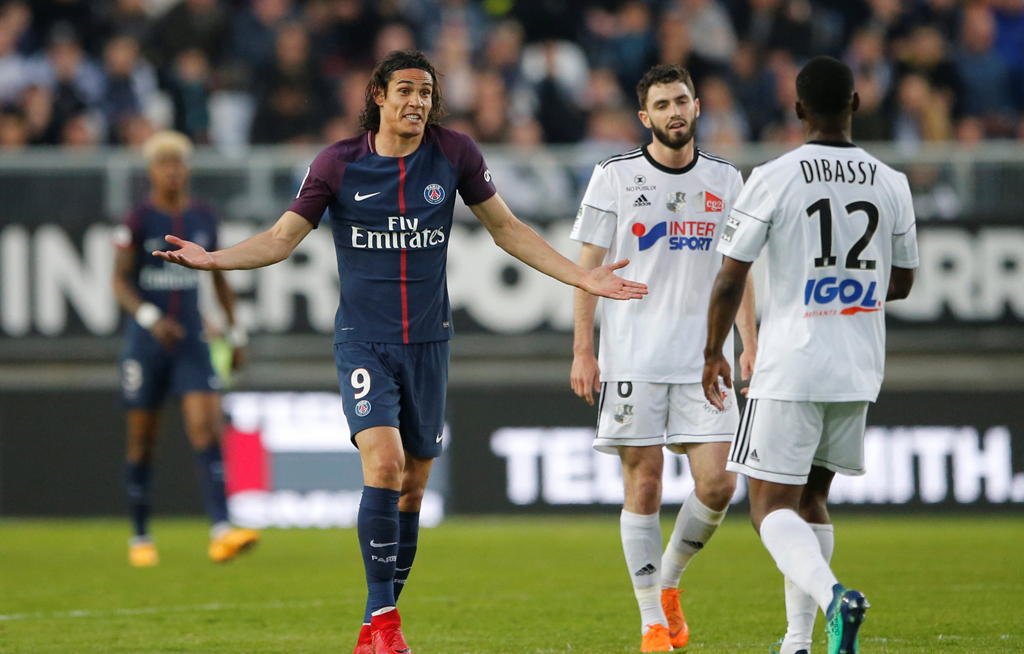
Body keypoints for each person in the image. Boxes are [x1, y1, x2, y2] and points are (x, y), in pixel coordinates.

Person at [153, 49, 648, 654]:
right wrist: (213, 259)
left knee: (412, 487)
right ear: (379, 96)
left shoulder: (454, 153)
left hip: (429, 343)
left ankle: (374, 622)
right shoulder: (338, 163)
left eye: (426, 92)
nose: (417, 101)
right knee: (384, 465)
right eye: (406, 89)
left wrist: (582, 276)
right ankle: (387, 625)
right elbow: (281, 239)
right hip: (364, 342)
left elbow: (508, 230)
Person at [702, 56, 918, 654]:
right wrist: (851, 287)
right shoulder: (892, 182)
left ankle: (834, 598)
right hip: (858, 364)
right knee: (811, 499)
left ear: (797, 108)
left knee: (768, 507)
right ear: (856, 104)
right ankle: (799, 641)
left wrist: (713, 351)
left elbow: (730, 277)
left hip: (792, 362)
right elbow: (903, 283)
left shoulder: (774, 177)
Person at [570, 63, 757, 653]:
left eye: (681, 101)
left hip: (706, 359)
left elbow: (739, 271)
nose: (674, 112)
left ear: (697, 107)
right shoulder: (615, 177)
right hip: (633, 357)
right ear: (644, 116)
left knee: (720, 484)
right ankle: (652, 621)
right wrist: (582, 349)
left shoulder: (727, 179)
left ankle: (668, 580)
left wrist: (750, 342)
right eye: (662, 104)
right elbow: (587, 270)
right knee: (644, 483)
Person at [112, 130, 256, 567]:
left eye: (178, 162)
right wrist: (151, 319)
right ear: (151, 171)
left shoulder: (203, 216)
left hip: (192, 339)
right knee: (142, 439)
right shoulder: (138, 219)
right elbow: (119, 281)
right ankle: (140, 536)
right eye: (164, 163)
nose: (172, 171)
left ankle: (221, 530)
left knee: (206, 428)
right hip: (147, 342)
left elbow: (220, 276)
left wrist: (235, 333)